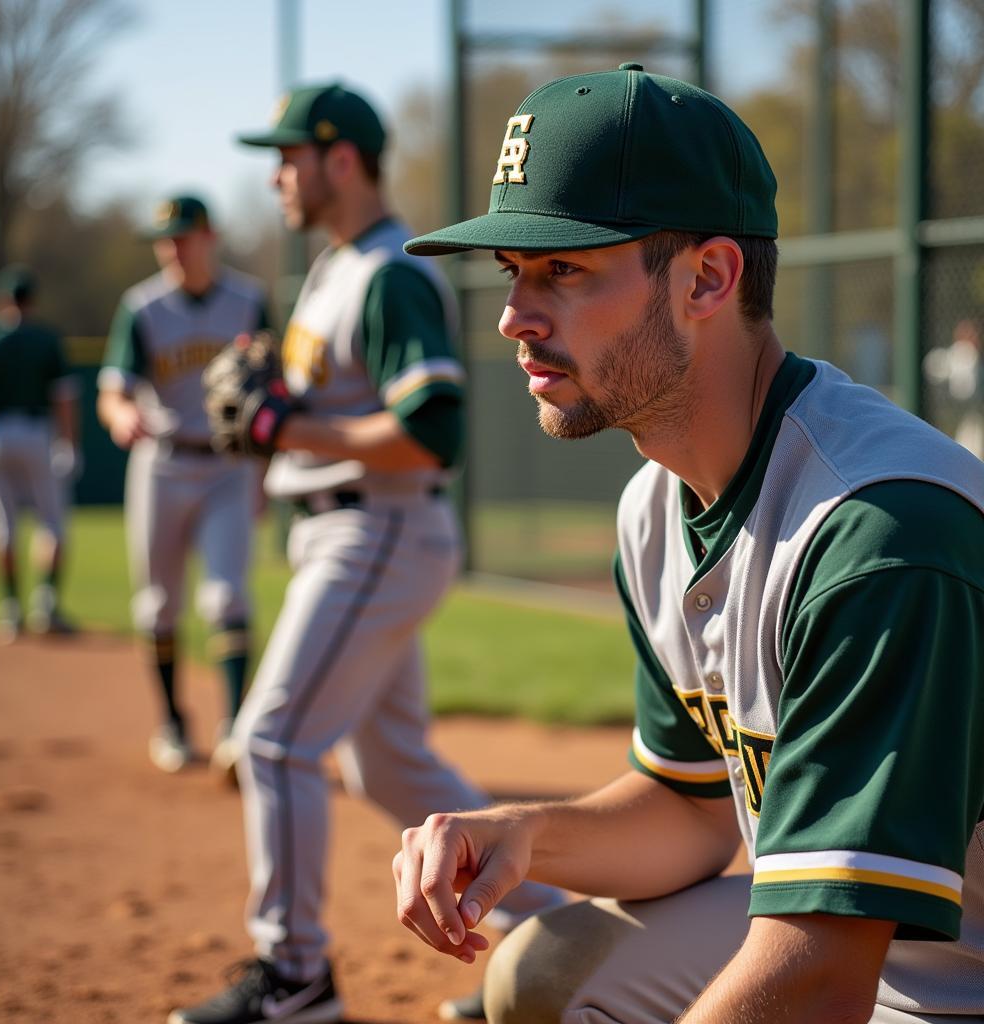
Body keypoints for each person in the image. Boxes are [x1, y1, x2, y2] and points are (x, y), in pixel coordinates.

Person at [394, 64, 984, 1023]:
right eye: (513, 273)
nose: (514, 317)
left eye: (565, 269)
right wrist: (520, 834)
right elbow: (691, 815)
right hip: (875, 947)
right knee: (546, 973)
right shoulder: (653, 509)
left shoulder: (880, 531)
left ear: (708, 277)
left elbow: (819, 978)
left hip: (956, 984)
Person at [168, 83, 562, 1024]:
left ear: (340, 160)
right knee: (389, 768)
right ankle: (563, 934)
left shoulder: (391, 271)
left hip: (376, 525)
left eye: (290, 156)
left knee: (272, 740)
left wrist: (292, 424)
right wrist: (292, 403)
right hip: (348, 529)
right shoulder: (335, 267)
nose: (276, 175)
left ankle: (295, 976)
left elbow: (433, 431)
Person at [97, 195, 271, 776]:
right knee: (158, 604)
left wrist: (267, 473)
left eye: (183, 237)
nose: (173, 248)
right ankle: (172, 721)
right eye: (165, 239)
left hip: (229, 464)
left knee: (226, 595)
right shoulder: (142, 306)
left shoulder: (248, 299)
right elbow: (113, 388)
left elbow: (276, 383)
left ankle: (233, 727)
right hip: (161, 462)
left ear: (209, 237)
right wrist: (120, 413)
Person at [0, 265, 81, 642]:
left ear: (1, 300)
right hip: (36, 433)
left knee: (3, 526)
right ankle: (45, 603)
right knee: (53, 523)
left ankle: (11, 610)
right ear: (31, 300)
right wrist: (70, 443)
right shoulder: (46, 339)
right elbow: (64, 398)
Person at [923, 318, 983, 459]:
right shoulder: (959, 353)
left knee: (972, 443)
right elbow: (933, 367)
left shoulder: (972, 356)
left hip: (971, 412)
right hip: (953, 409)